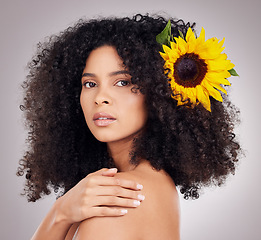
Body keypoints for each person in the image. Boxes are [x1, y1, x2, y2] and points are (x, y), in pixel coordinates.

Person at [17, 14, 241, 239]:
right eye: (90, 83)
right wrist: (62, 211)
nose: (100, 97)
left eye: (122, 82)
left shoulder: (122, 195)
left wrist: (60, 214)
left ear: (159, 93)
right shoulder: (150, 182)